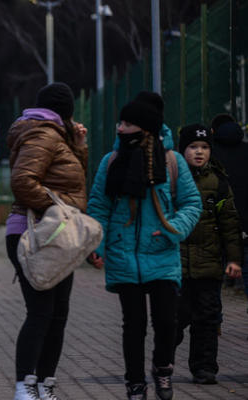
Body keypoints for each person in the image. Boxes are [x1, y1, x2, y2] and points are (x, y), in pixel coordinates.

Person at [87, 98, 202, 400]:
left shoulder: (171, 161)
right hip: (123, 254)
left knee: (166, 321)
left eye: (127, 124)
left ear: (145, 128)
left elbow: (191, 204)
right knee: (133, 325)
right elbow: (99, 206)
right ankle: (135, 383)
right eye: (120, 124)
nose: (120, 128)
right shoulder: (111, 161)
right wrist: (96, 244)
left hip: (162, 252)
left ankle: (162, 369)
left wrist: (170, 230)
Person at [6, 82, 89, 400]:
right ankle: (24, 385)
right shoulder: (43, 134)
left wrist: (79, 147)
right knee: (41, 312)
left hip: (56, 236)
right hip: (36, 233)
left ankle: (44, 385)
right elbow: (22, 181)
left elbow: (70, 180)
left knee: (57, 314)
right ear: (65, 112)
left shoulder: (55, 136)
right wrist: (59, 209)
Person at [173, 123, 242, 385]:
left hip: (209, 266)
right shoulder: (173, 180)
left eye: (204, 147)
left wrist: (234, 259)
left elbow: (230, 225)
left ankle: (204, 368)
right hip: (177, 266)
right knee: (175, 319)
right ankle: (164, 361)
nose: (199, 152)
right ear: (182, 151)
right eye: (193, 147)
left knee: (207, 320)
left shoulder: (219, 182)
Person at [210, 114, 248, 303]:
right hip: (245, 225)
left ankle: (213, 322)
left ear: (213, 131)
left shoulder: (210, 155)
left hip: (217, 224)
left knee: (213, 276)